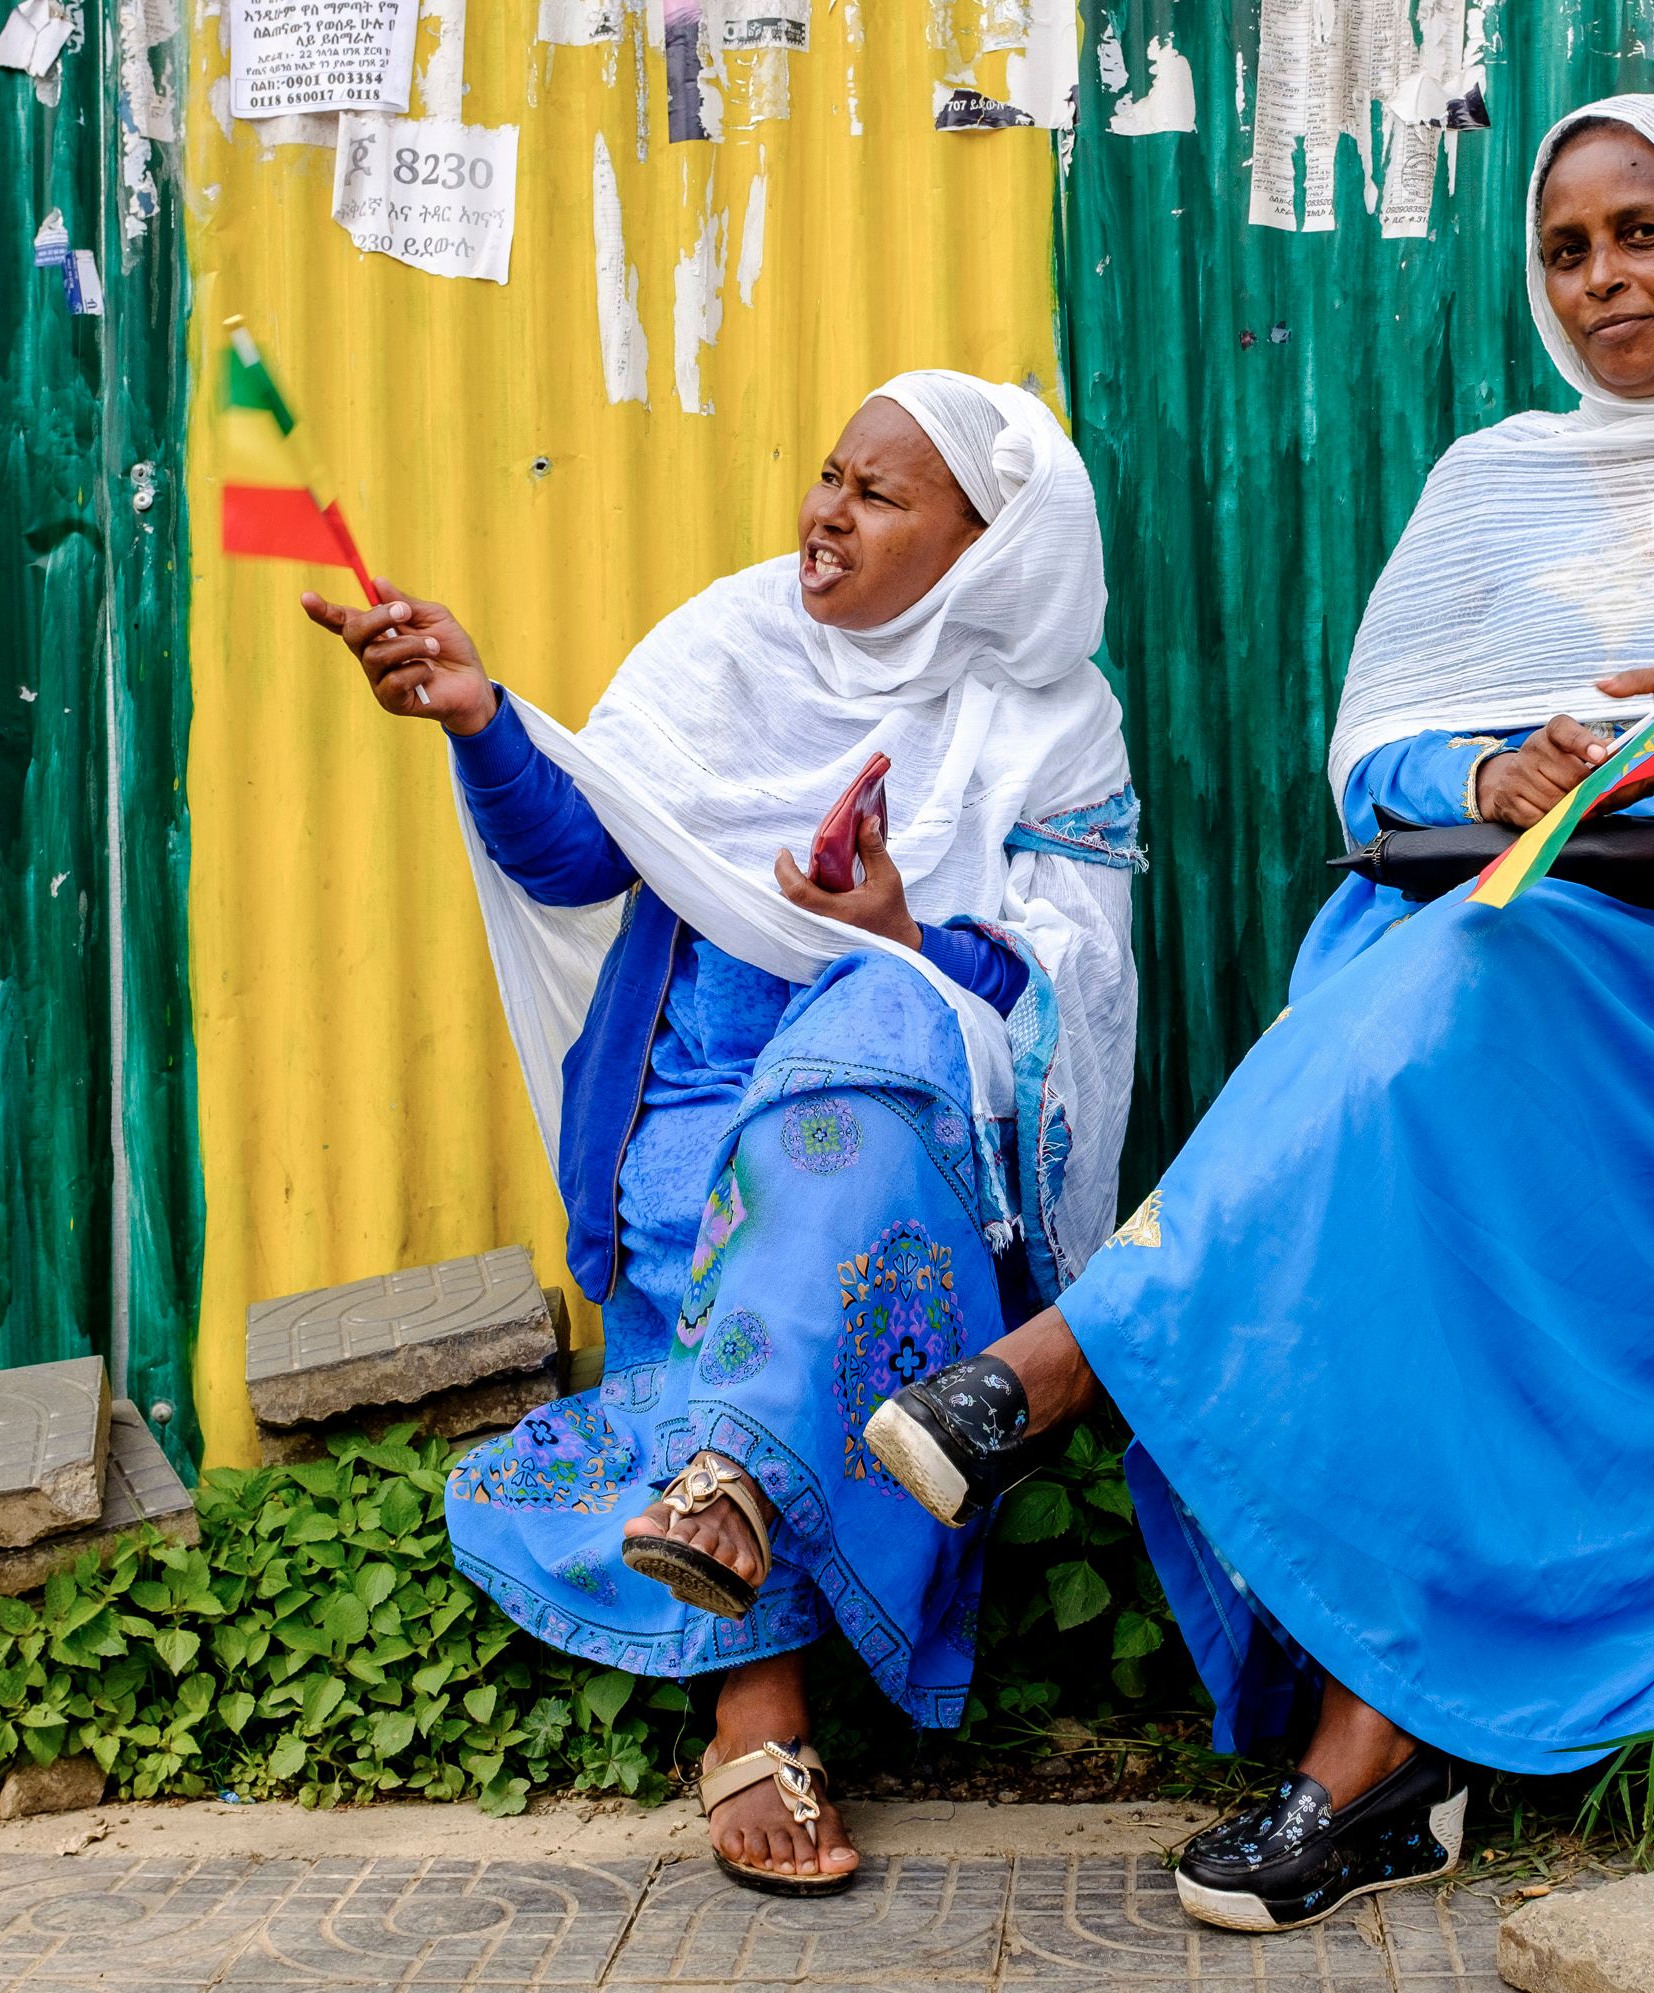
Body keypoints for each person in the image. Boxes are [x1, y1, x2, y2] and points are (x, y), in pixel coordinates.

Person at [861, 96, 1654, 1933]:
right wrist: (1510, 759)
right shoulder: (1498, 478)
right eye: (1569, 249)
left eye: (1645, 232)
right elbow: (1375, 751)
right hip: (1499, 909)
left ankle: (1060, 1370)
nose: (1606, 276)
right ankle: (1371, 1767)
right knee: (1420, 1033)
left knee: (1415, 1028)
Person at [301, 372, 1142, 1897]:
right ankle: (746, 1604)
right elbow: (576, 856)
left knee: (865, 1043)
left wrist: (891, 929)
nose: (824, 513)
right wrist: (483, 715)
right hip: (691, 1113)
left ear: (986, 551)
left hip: (900, 1155)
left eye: (879, 497)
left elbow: (1052, 997)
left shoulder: (1046, 720)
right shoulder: (729, 646)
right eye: (830, 474)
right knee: (725, 1201)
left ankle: (737, 1580)